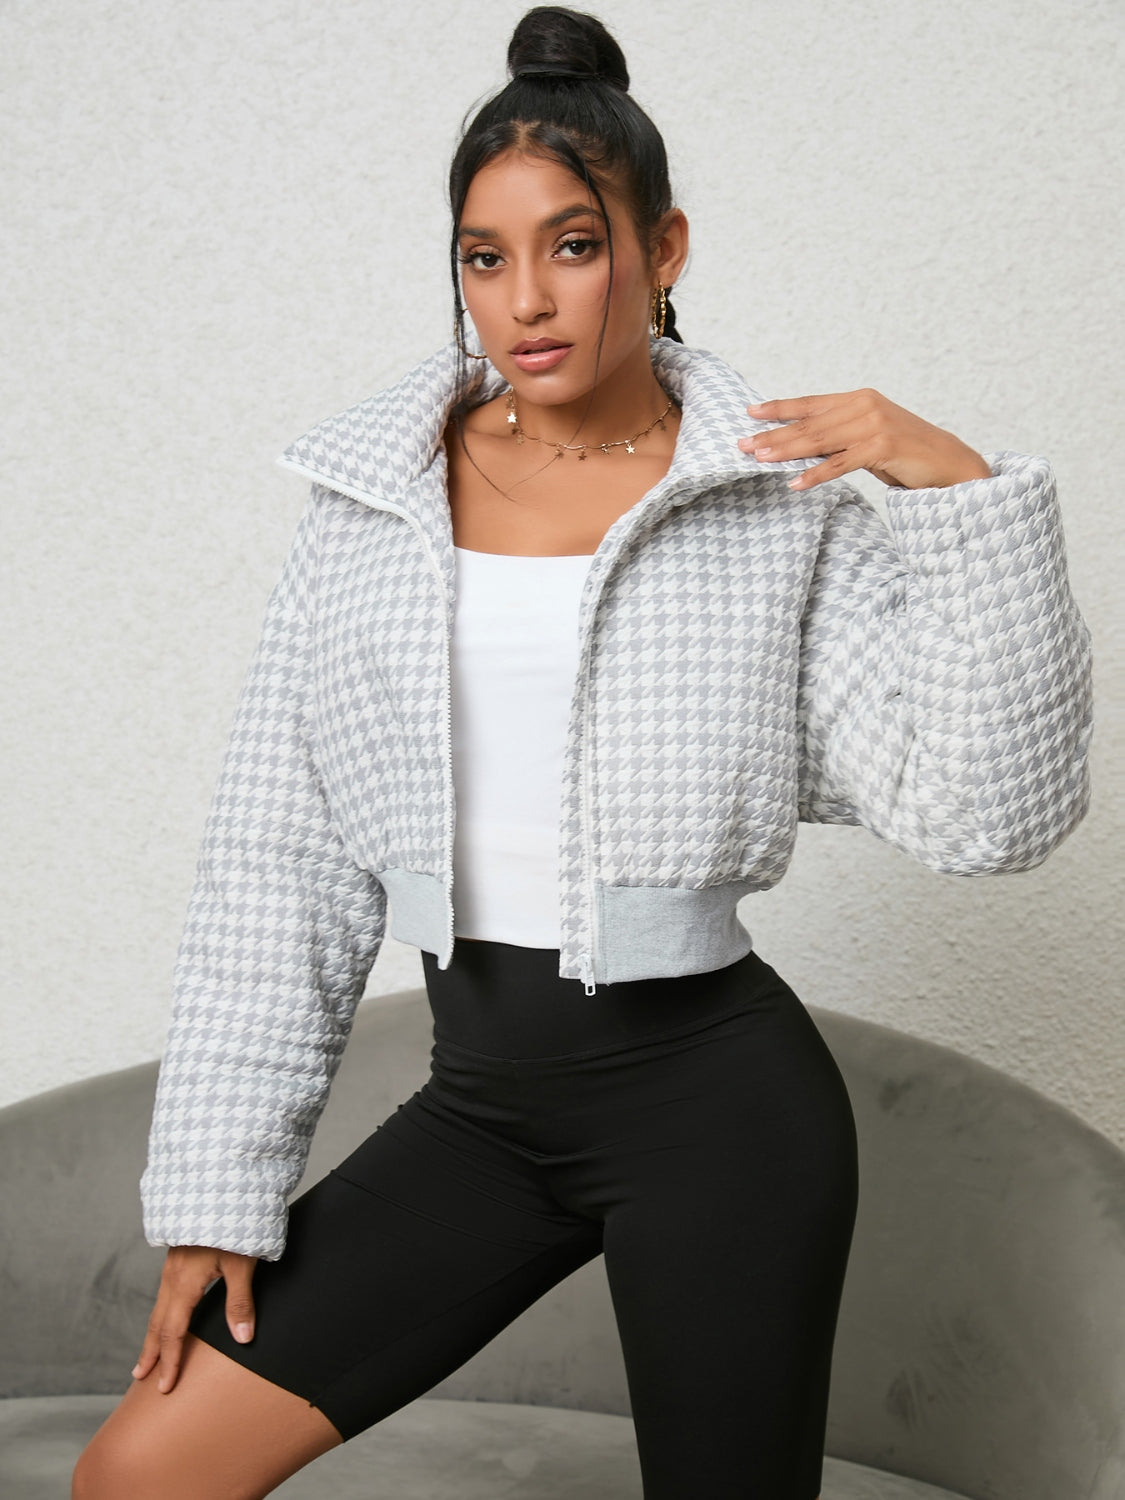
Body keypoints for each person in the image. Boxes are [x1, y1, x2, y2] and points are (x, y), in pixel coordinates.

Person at [72, 6, 1094, 1498]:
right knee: (142, 1474)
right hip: (479, 1115)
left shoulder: (771, 508)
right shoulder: (374, 507)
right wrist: (216, 1190)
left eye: (571, 244)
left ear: (661, 248)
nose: (526, 299)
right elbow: (278, 860)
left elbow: (989, 815)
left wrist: (962, 497)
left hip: (722, 1120)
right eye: (484, 258)